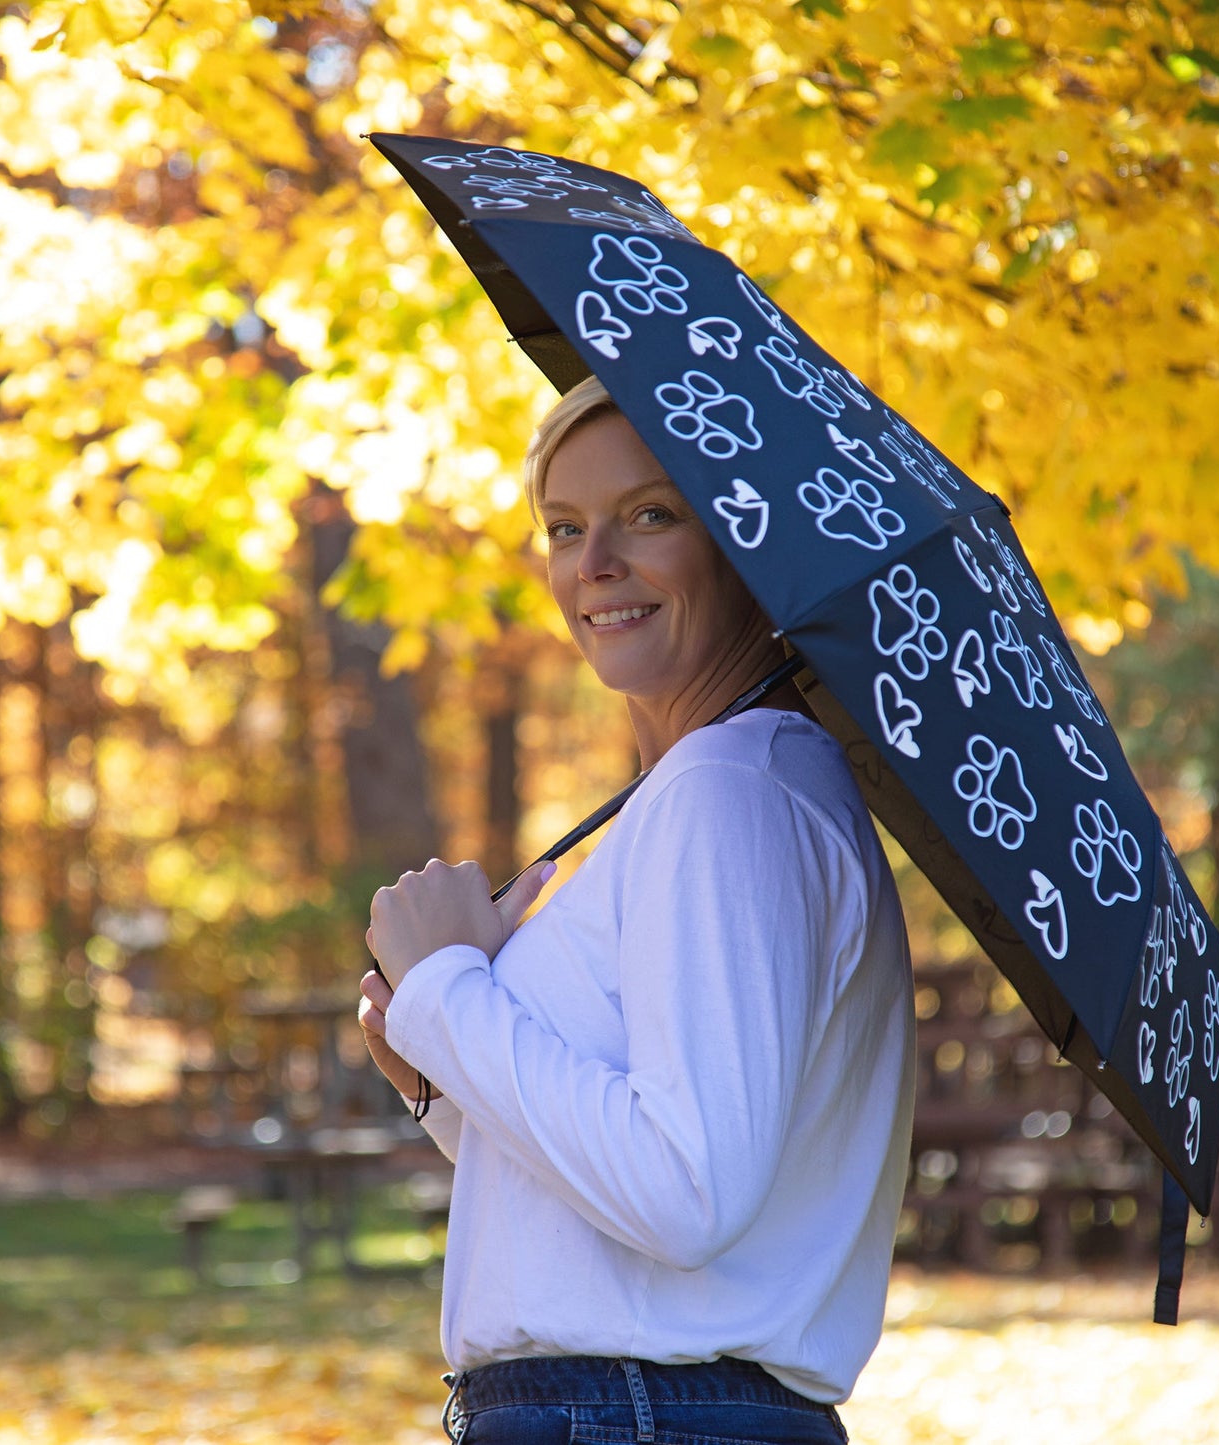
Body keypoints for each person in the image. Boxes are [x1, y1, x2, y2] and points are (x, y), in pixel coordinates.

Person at [357, 375, 915, 1444]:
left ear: (743, 538)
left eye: (649, 514)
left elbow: (684, 1191)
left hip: (638, 1416)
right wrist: (438, 1075)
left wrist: (445, 989)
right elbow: (613, 1208)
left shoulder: (727, 793)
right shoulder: (720, 790)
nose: (593, 563)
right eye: (563, 527)